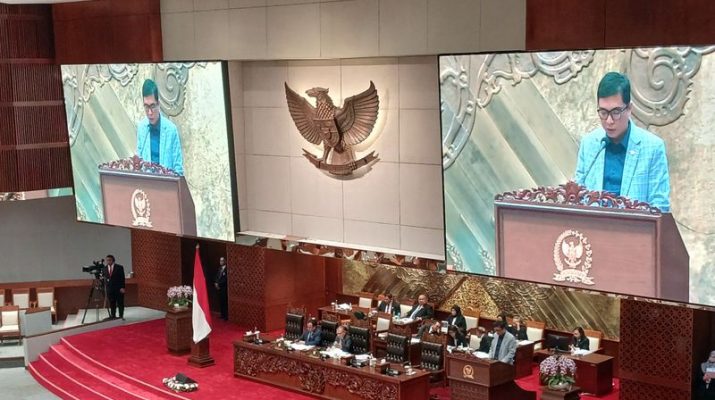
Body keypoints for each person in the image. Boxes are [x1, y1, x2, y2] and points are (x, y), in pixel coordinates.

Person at [574, 72, 670, 211]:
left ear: (629, 109)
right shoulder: (589, 144)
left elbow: (660, 207)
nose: (609, 121)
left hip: (635, 224)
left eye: (615, 112)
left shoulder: (653, 148)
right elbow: (577, 197)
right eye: (603, 112)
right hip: (593, 224)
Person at [136, 79, 185, 176]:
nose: (150, 112)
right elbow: (138, 164)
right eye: (146, 107)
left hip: (167, 183)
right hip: (147, 183)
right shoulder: (141, 128)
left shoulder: (171, 130)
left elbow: (178, 169)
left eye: (152, 106)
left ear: (158, 104)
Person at [103, 255, 125, 320]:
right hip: (110, 289)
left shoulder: (119, 267)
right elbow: (105, 278)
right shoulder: (104, 268)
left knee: (120, 303)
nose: (108, 261)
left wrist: (122, 287)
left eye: (109, 260)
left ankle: (121, 316)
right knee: (112, 303)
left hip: (119, 288)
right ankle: (113, 316)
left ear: (113, 260)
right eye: (107, 260)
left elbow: (122, 278)